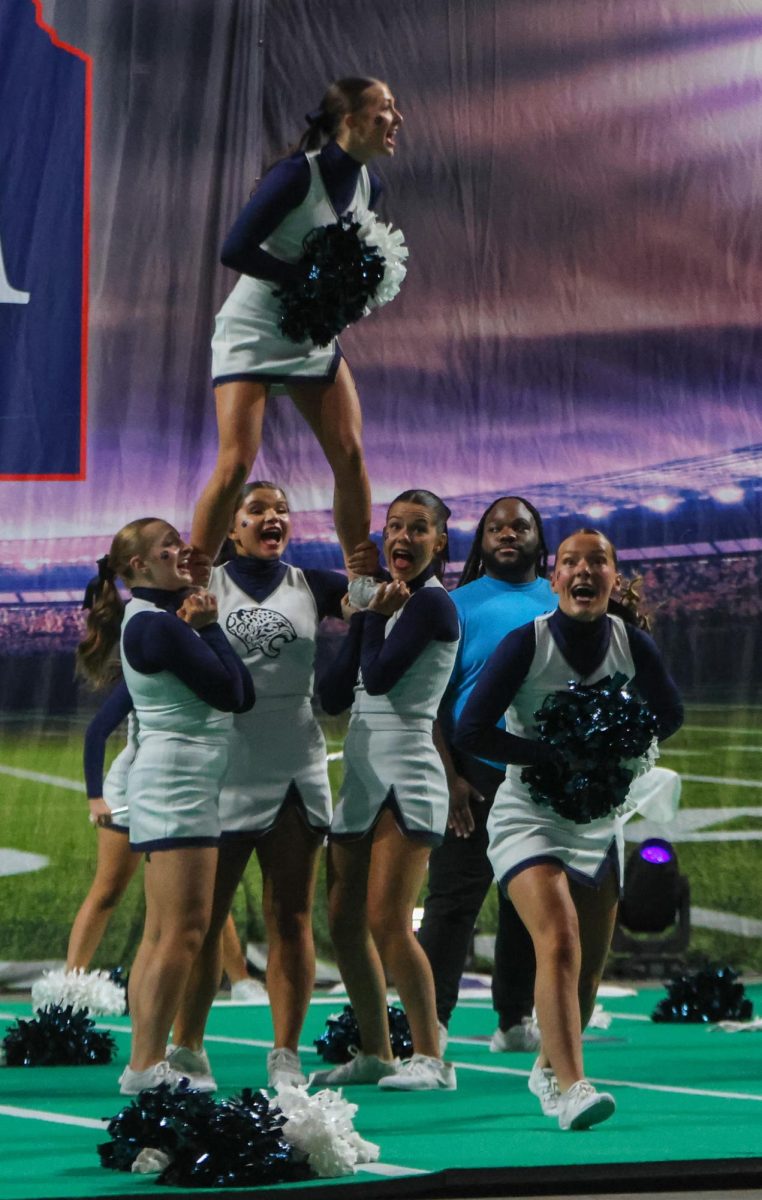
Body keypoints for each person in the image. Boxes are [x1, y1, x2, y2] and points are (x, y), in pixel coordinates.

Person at [456, 529, 683, 1130]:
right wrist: (554, 754)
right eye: (571, 563)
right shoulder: (523, 644)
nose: (585, 571)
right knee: (557, 939)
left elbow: (671, 715)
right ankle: (575, 1086)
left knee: (587, 969)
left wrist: (619, 746)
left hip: (597, 818)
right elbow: (472, 729)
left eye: (598, 561)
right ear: (553, 580)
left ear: (613, 576)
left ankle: (552, 1068)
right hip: (528, 813)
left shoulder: (630, 643)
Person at [170, 481, 378, 1088]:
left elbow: (375, 603)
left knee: (290, 915)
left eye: (282, 510)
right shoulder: (203, 585)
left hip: (295, 757)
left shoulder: (312, 585)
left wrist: (367, 570)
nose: (273, 517)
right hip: (227, 759)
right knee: (205, 919)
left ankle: (285, 1053)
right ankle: (188, 1046)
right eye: (257, 509)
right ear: (231, 527)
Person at [191, 77, 403, 570]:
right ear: (350, 121)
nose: (397, 119)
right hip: (255, 326)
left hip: (309, 334)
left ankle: (360, 576)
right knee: (237, 462)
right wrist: (307, 279)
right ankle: (191, 583)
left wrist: (344, 294)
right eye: (385, 109)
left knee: (350, 457)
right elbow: (234, 250)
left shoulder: (372, 185)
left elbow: (344, 260)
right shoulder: (294, 175)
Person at [76, 519, 254, 1094]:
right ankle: (149, 1065)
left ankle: (145, 1061)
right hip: (179, 786)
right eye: (166, 549)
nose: (181, 553)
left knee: (163, 934)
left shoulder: (146, 619)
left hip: (172, 781)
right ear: (137, 569)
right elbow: (236, 693)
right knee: (183, 932)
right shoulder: (160, 626)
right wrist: (212, 629)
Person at [314, 490, 459, 1091]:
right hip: (364, 769)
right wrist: (363, 610)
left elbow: (378, 675)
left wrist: (369, 614)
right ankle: (376, 1051)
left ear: (439, 541)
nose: (402, 539)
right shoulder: (386, 600)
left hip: (407, 769)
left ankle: (432, 1057)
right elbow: (333, 695)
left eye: (417, 528)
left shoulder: (431, 606)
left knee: (388, 921)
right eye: (394, 527)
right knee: (344, 917)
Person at [418, 496, 552, 1054]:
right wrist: (449, 779)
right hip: (474, 771)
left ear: (539, 538)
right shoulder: (457, 606)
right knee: (452, 902)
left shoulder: (560, 599)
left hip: (540, 771)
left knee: (529, 900)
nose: (507, 534)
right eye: (495, 527)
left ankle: (515, 1018)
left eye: (519, 526)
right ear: (480, 541)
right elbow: (429, 703)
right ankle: (432, 1025)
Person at [68, 679, 266, 1003]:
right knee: (108, 890)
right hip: (131, 790)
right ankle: (69, 984)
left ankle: (242, 981)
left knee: (200, 893)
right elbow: (96, 731)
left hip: (180, 792)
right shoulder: (147, 666)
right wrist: (95, 798)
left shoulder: (207, 666)